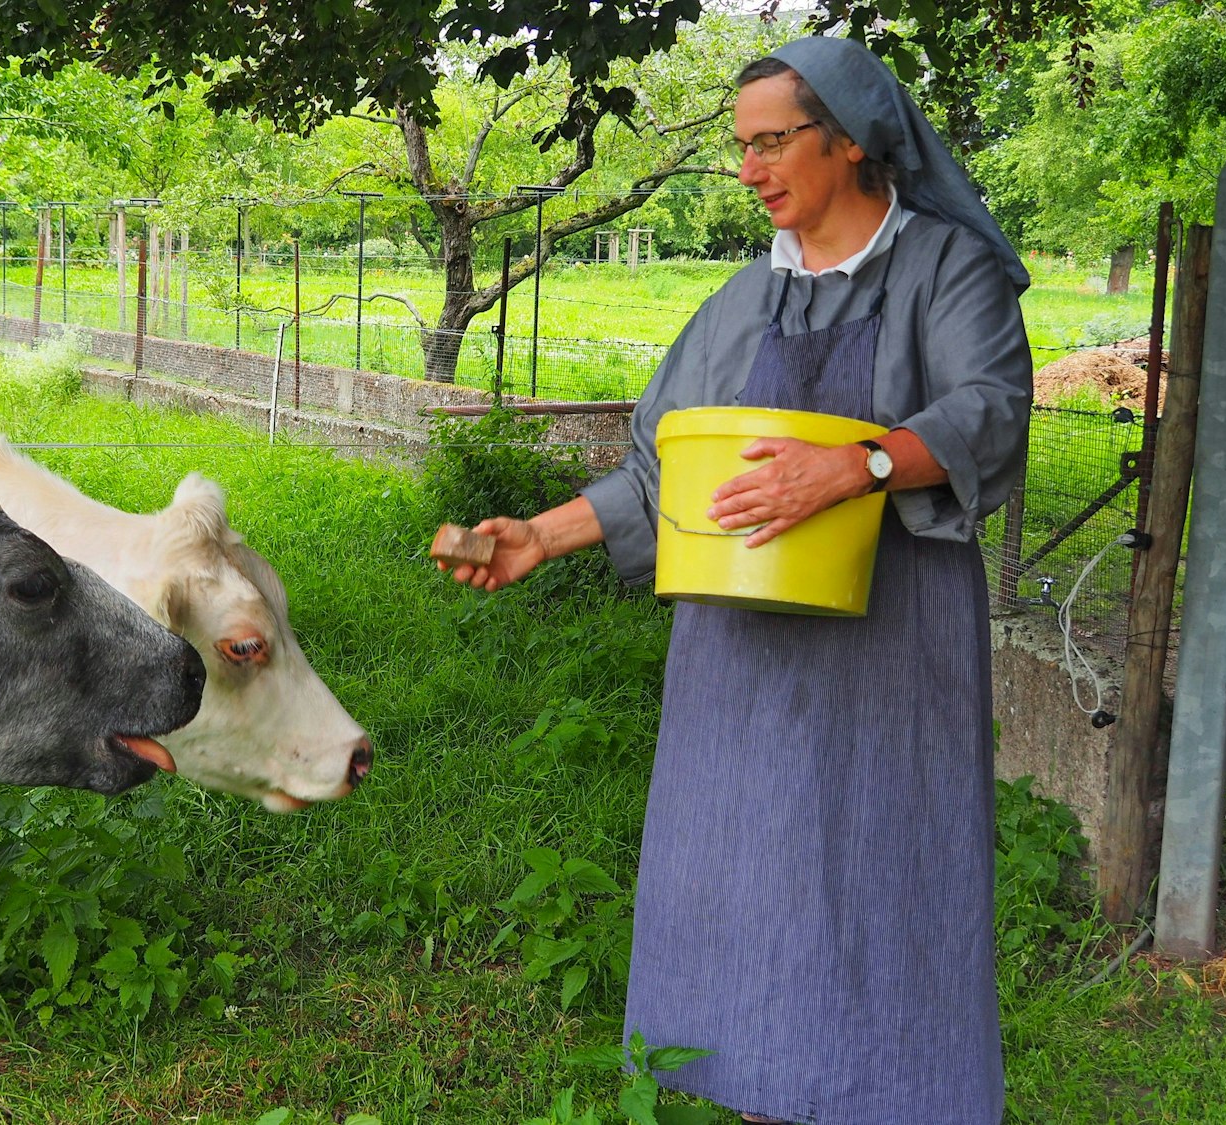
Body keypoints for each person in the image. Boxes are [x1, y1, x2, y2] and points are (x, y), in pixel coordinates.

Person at [441, 36, 1032, 1125]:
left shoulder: (947, 270)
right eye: (740, 149)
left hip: (888, 648)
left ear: (848, 139)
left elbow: (989, 409)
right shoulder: (734, 303)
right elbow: (663, 471)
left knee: (882, 871)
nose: (751, 169)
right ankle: (760, 1093)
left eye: (771, 142)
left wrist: (852, 467)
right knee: (739, 873)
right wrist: (536, 535)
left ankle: (890, 1095)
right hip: (735, 658)